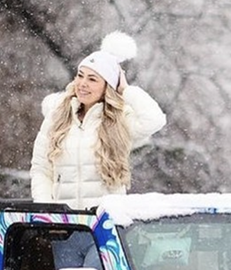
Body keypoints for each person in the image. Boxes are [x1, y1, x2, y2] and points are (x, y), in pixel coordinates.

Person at [30, 31, 167, 210]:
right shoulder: (57, 116)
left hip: (103, 220)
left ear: (107, 87)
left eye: (92, 79)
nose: (82, 83)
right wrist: (47, 211)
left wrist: (125, 89)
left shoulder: (120, 120)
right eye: (80, 75)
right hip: (63, 220)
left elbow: (155, 120)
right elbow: (41, 169)